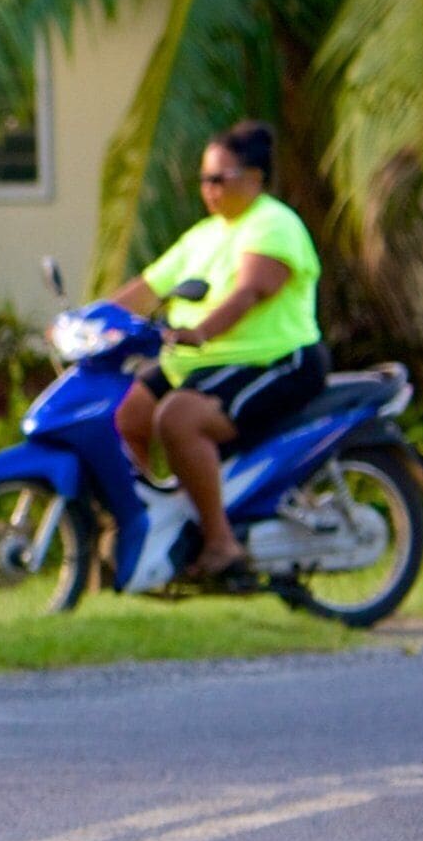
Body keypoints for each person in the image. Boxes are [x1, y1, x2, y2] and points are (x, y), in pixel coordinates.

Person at [107, 120, 326, 588]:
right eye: (204, 179)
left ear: (254, 178)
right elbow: (146, 289)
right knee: (125, 415)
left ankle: (221, 542)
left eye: (218, 179)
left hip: (275, 362)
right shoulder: (204, 235)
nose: (208, 189)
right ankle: (143, 531)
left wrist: (199, 331)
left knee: (178, 418)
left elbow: (249, 292)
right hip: (204, 363)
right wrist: (86, 323)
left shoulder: (273, 224)